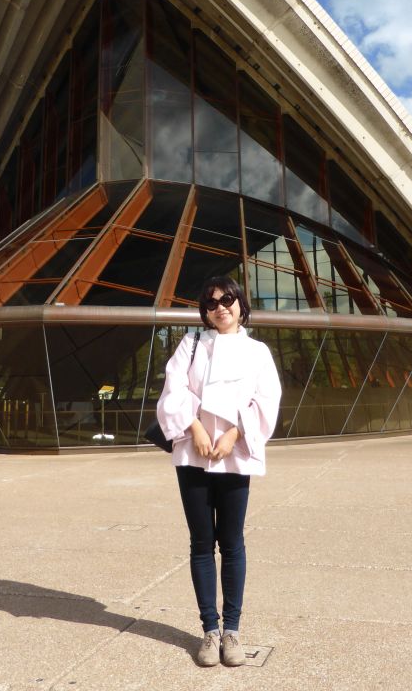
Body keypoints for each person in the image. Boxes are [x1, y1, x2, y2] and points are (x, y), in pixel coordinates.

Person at [156, 275, 281, 668]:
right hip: (193, 455)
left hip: (233, 454)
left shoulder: (257, 351)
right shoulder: (191, 344)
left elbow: (266, 399)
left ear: (241, 304)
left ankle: (233, 632)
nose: (220, 307)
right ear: (204, 311)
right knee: (200, 543)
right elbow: (173, 391)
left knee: (232, 542)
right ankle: (210, 630)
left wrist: (234, 434)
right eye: (211, 303)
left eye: (227, 299)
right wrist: (194, 428)